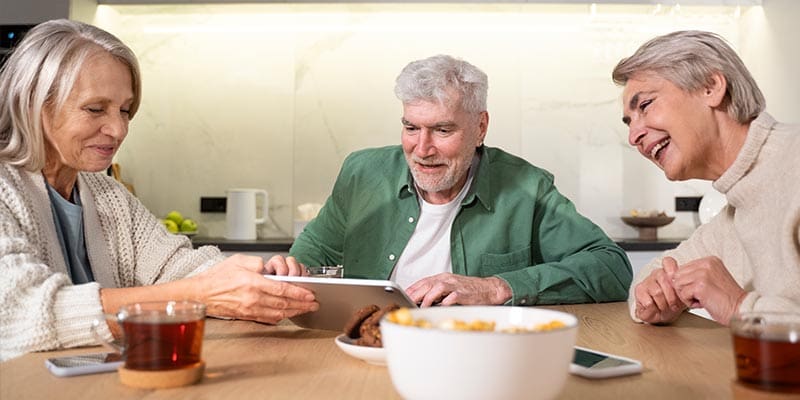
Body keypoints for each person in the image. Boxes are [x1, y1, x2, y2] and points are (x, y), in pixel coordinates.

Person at [0, 19, 317, 362]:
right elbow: (20, 313)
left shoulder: (108, 196)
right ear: (34, 103)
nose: (118, 129)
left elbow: (179, 267)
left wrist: (257, 279)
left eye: (125, 110)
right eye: (95, 109)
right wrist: (203, 293)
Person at [269, 54, 632, 307]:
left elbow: (611, 267)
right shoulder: (361, 172)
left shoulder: (527, 187)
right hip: (366, 344)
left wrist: (496, 288)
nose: (422, 149)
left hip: (476, 352)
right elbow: (314, 252)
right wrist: (290, 269)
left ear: (481, 127)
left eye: (442, 130)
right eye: (411, 128)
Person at [612, 30, 800, 326]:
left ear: (710, 87)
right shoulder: (734, 213)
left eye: (645, 105)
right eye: (629, 123)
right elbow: (649, 280)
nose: (633, 136)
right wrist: (655, 296)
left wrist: (739, 306)